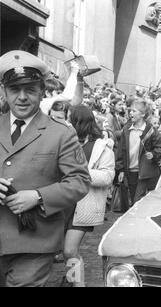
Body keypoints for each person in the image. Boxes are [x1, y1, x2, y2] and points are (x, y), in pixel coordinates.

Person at [0, 50, 91, 287]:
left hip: (34, 242)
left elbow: (80, 181)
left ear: (42, 92)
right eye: (14, 90)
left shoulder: (61, 133)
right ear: (3, 92)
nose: (21, 97)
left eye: (29, 90)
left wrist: (38, 196)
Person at [62, 106, 115, 287]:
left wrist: (81, 172)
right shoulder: (68, 141)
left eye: (70, 119)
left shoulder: (102, 146)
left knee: (70, 250)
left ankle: (78, 284)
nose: (68, 122)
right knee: (65, 251)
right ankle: (71, 279)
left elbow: (107, 177)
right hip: (63, 203)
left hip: (84, 205)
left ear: (79, 121)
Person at [116, 99, 161, 204]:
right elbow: (121, 150)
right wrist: (121, 169)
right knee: (133, 198)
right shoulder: (126, 129)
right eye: (130, 111)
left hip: (144, 172)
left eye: (134, 111)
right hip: (130, 172)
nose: (130, 113)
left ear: (143, 114)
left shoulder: (151, 130)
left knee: (137, 200)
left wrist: (153, 154)